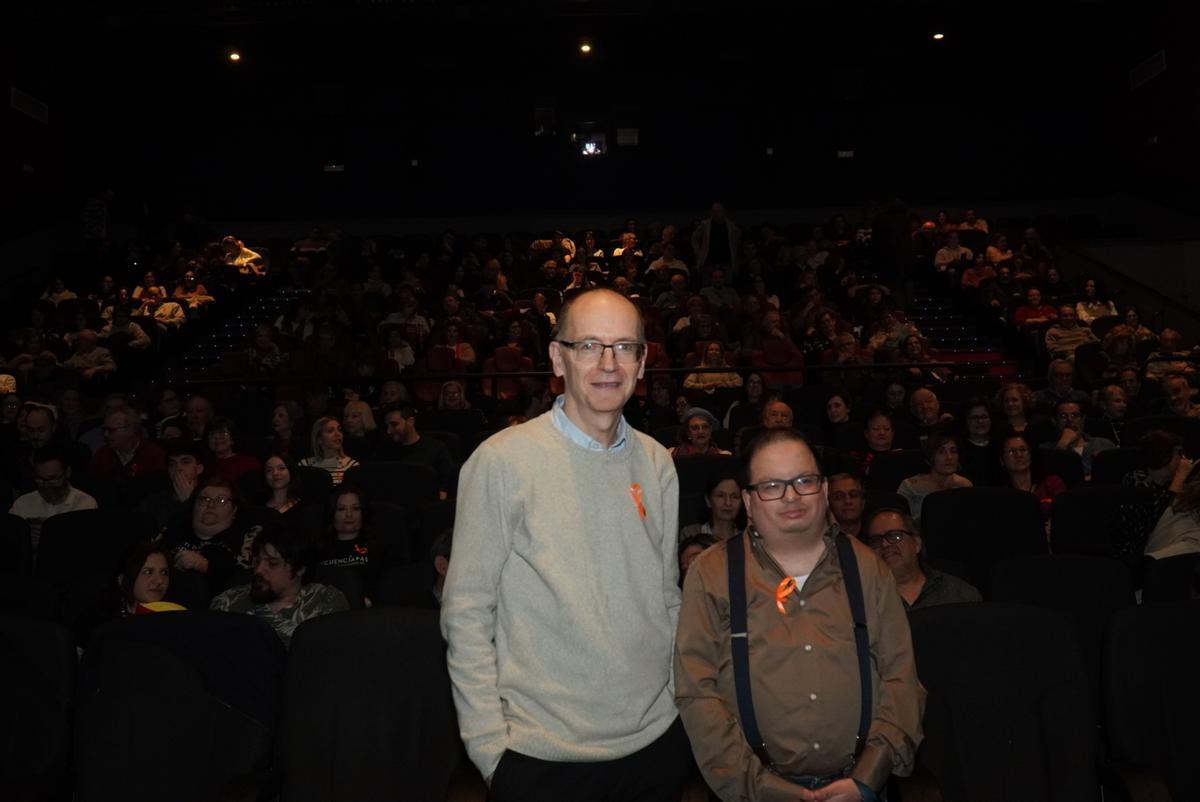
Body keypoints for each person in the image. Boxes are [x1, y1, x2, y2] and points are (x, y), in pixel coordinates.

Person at [442, 288, 689, 801]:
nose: (608, 363)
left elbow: (667, 597)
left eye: (624, 347)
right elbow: (466, 611)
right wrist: (489, 750)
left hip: (656, 744)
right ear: (558, 358)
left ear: (643, 362)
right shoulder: (501, 462)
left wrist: (675, 696)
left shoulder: (657, 463)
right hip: (541, 758)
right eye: (589, 346)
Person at [675, 428, 924, 802]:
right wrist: (762, 788)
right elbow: (697, 693)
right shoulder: (711, 573)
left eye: (804, 481)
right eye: (772, 485)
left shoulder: (868, 567)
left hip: (860, 787)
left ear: (823, 489)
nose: (791, 495)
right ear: (748, 500)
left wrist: (867, 777)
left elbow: (900, 677)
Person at [211, 526, 348, 647]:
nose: (259, 570)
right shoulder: (228, 602)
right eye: (257, 561)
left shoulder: (325, 602)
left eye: (272, 563)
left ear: (300, 568)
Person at [864, 507, 981, 610]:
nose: (885, 544)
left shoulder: (959, 593)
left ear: (917, 544)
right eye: (875, 540)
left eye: (895, 535)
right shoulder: (862, 599)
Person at [9, 445, 98, 551]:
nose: (46, 485)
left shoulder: (85, 504)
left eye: (52, 479)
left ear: (67, 472)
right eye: (40, 479)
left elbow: (87, 546)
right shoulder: (22, 503)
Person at [373, 403, 457, 498]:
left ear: (410, 422)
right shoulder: (384, 449)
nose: (389, 431)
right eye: (387, 426)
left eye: (394, 425)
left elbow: (446, 487)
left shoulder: (436, 449)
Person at [896, 433, 973, 520]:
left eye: (953, 451)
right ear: (929, 458)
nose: (949, 457)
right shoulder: (909, 487)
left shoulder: (965, 485)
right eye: (941, 452)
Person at [137, 440, 206, 534]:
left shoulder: (209, 497)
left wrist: (188, 502)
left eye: (185, 462)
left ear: (199, 468)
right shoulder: (155, 501)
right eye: (172, 464)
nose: (178, 468)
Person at [89, 405, 167, 481]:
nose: (106, 434)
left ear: (131, 429)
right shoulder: (101, 456)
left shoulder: (154, 455)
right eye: (104, 429)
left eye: (111, 430)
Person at [1042, 400, 1116, 480]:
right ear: (1054, 421)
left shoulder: (1103, 444)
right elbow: (1049, 477)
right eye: (1063, 416)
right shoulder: (1046, 449)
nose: (1070, 420)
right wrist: (1062, 445)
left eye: (1075, 415)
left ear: (1083, 419)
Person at [1000, 433, 1067, 517]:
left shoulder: (1052, 483)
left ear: (1030, 455)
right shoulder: (1002, 495)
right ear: (1002, 460)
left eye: (1023, 450)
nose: (1019, 455)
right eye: (1011, 451)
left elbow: (1063, 515)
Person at [680, 474, 743, 543]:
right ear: (708, 500)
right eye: (721, 496)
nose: (728, 503)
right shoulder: (691, 533)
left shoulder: (747, 537)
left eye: (734, 497)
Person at [299, 416, 360, 486]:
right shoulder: (305, 465)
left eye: (339, 430)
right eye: (330, 431)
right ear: (319, 439)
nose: (337, 434)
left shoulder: (352, 466)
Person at [203, 417, 261, 484]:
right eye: (212, 434)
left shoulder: (250, 463)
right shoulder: (203, 465)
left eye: (223, 433)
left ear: (232, 439)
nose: (217, 437)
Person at [827, 472, 867, 538]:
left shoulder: (874, 532)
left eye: (853, 495)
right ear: (829, 504)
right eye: (839, 497)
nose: (848, 501)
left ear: (863, 502)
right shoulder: (820, 538)